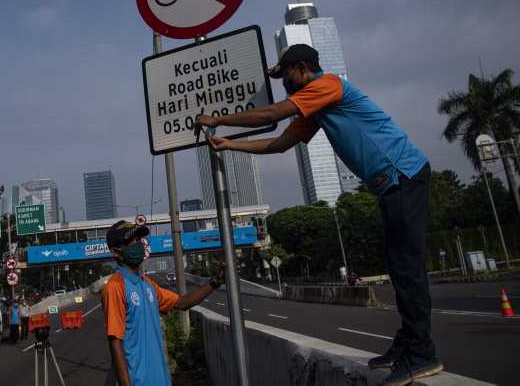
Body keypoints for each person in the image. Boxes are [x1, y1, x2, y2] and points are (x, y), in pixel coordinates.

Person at [197, 43, 442, 386]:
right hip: (391, 185)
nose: (284, 81)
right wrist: (230, 144)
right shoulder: (316, 107)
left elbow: (272, 115)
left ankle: (422, 353)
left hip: (404, 174)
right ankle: (409, 342)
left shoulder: (328, 86)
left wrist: (219, 120)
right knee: (398, 264)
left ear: (300, 68)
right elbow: (280, 143)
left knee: (407, 266)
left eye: (285, 75)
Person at [102, 220, 225, 386]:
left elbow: (182, 303)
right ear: (116, 252)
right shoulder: (115, 287)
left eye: (138, 240)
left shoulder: (148, 284)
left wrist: (215, 282)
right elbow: (115, 341)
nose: (137, 245)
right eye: (131, 242)